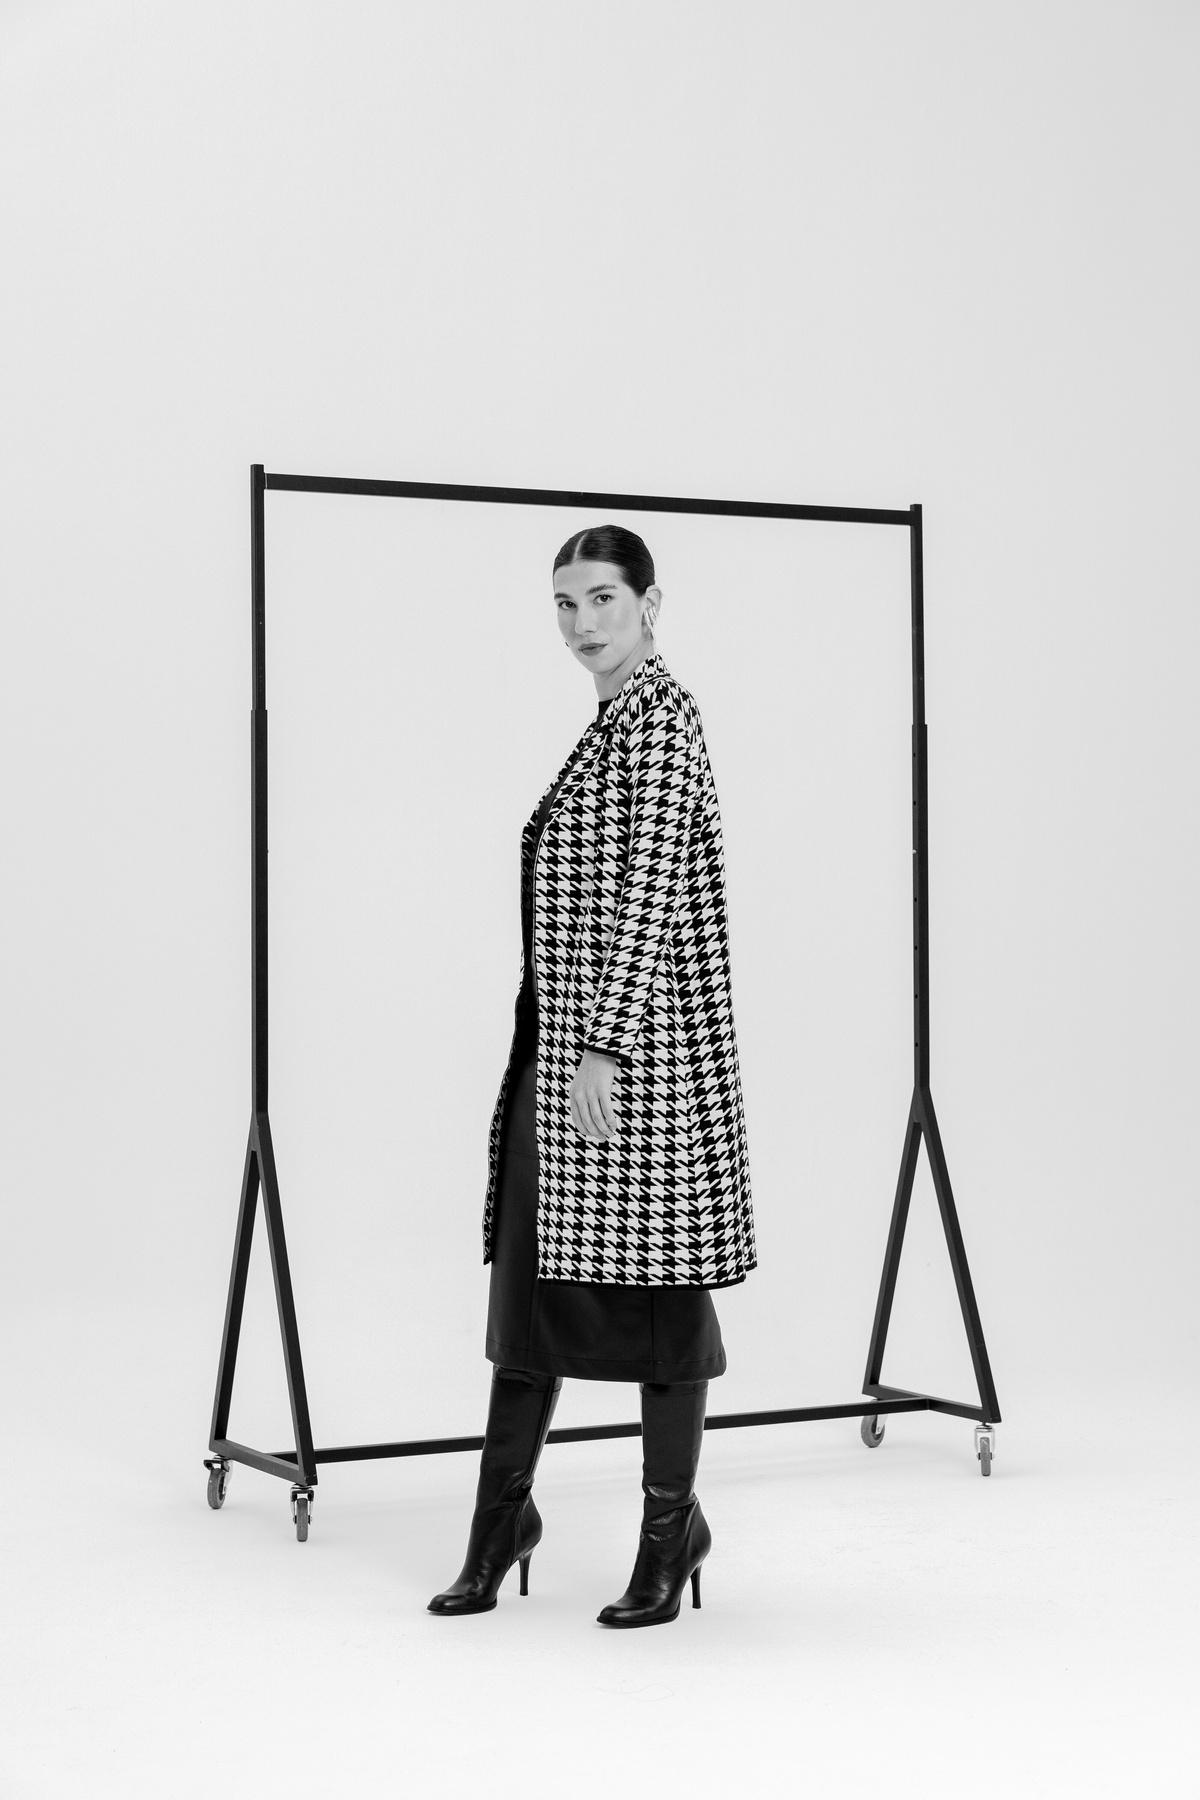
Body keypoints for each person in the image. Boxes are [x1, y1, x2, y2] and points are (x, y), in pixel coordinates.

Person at [428, 524, 757, 1628]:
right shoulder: (609, 723)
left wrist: (606, 1045)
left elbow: (653, 893)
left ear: (651, 604)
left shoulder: (662, 719)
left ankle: (669, 1537)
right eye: (565, 604)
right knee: (529, 1295)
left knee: (661, 1307)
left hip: (640, 1069)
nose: (582, 624)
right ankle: (498, 1526)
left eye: (603, 598)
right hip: (566, 1055)